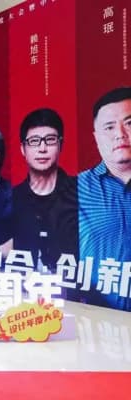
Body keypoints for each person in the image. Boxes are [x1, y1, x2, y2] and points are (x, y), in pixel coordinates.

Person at [79, 87, 131, 310]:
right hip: (99, 321)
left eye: (129, 123)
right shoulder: (74, 190)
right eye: (109, 127)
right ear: (96, 137)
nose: (120, 134)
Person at [10, 109, 78, 275]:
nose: (42, 148)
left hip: (74, 289)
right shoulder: (10, 200)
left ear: (61, 145)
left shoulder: (83, 193)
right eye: (34, 141)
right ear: (23, 149)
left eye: (50, 140)